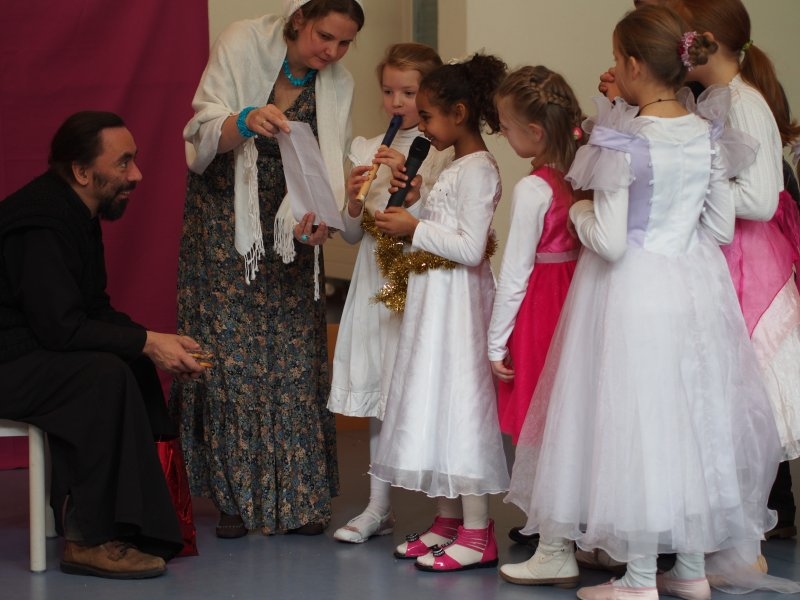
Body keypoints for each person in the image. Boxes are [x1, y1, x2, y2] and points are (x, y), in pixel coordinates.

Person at [500, 7, 780, 600]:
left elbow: (608, 240)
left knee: (636, 425)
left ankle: (640, 578)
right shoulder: (706, 132)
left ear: (631, 65)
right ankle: (691, 570)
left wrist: (579, 211)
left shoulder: (625, 140)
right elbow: (721, 228)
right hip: (693, 289)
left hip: (632, 292)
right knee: (687, 423)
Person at [171, 0, 365, 538]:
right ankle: (234, 499)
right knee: (230, 357)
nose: (333, 51)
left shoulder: (339, 83)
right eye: (325, 36)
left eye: (345, 43)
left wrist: (321, 220)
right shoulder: (242, 41)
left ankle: (298, 498)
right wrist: (243, 120)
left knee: (294, 355)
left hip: (292, 222)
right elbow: (201, 133)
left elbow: (329, 167)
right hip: (226, 219)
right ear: (298, 20)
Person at [0, 111, 206, 579]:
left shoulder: (75, 211)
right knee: (102, 378)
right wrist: (146, 342)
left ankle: (146, 524)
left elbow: (91, 310)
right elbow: (61, 329)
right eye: (123, 162)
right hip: (8, 361)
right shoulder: (41, 224)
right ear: (81, 171)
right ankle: (88, 540)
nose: (136, 175)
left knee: (133, 363)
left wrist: (157, 343)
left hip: (28, 351)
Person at [369, 53, 510, 572]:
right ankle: (448, 522)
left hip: (458, 307)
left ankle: (477, 532)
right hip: (436, 302)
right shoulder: (455, 166)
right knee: (434, 403)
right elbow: (445, 229)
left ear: (460, 112)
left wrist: (414, 227)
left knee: (461, 407)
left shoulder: (480, 169)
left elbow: (470, 247)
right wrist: (415, 206)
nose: (421, 125)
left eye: (427, 115)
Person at [328, 42, 452, 544]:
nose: (397, 102)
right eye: (388, 91)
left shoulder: (443, 151)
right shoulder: (366, 147)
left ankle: (447, 514)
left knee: (427, 393)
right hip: (374, 278)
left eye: (409, 92)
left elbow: (444, 226)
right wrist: (355, 198)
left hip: (419, 278)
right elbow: (349, 234)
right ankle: (378, 507)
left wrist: (415, 191)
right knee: (380, 391)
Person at [488, 65, 583, 549]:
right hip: (577, 295)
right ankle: (568, 514)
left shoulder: (532, 189)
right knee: (570, 410)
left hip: (543, 304)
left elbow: (515, 271)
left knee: (540, 414)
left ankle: (549, 522)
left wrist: (495, 341)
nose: (503, 136)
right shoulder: (579, 173)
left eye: (506, 127)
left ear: (535, 131)